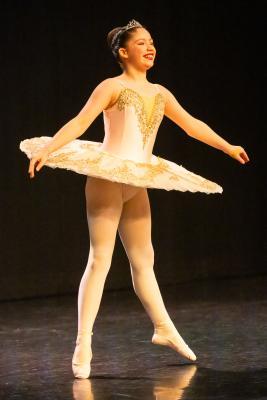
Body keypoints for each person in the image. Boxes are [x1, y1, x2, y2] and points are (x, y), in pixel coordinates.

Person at [20, 19, 249, 379]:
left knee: (145, 260)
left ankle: (164, 327)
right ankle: (83, 342)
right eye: (141, 43)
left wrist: (227, 146)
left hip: (138, 179)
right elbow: (81, 122)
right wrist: (48, 150)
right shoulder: (111, 87)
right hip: (109, 177)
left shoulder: (160, 93)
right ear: (123, 52)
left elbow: (192, 125)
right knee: (100, 259)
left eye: (152, 41)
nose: (149, 47)